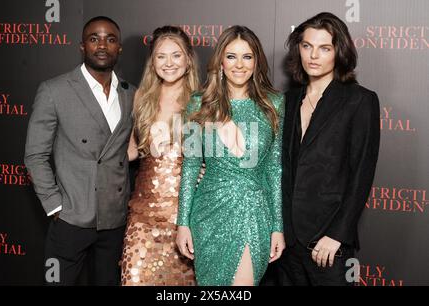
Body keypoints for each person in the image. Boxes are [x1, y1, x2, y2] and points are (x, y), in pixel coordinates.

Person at [24, 16, 135, 285]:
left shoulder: (131, 93)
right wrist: (55, 206)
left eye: (110, 39)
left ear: (119, 48)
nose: (102, 45)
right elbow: (35, 155)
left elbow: (131, 150)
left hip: (115, 220)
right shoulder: (54, 90)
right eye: (94, 38)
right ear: (82, 46)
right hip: (71, 218)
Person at [176, 25, 285, 286]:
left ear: (256, 62)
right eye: (231, 56)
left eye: (247, 56)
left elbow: (273, 168)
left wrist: (278, 227)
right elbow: (190, 167)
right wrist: (183, 223)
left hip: (253, 211)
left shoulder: (274, 103)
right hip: (208, 213)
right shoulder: (199, 102)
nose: (239, 65)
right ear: (221, 61)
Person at [280, 12, 380, 286]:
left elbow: (362, 173)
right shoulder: (286, 101)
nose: (313, 55)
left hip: (329, 244)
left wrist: (337, 235)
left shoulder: (360, 101)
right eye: (307, 46)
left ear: (339, 52)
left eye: (324, 48)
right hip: (286, 244)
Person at [120, 26, 199, 286]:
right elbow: (132, 150)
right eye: (160, 56)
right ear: (152, 62)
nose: (168, 63)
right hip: (143, 217)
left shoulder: (202, 100)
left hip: (187, 218)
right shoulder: (142, 97)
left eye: (176, 55)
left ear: (188, 60)